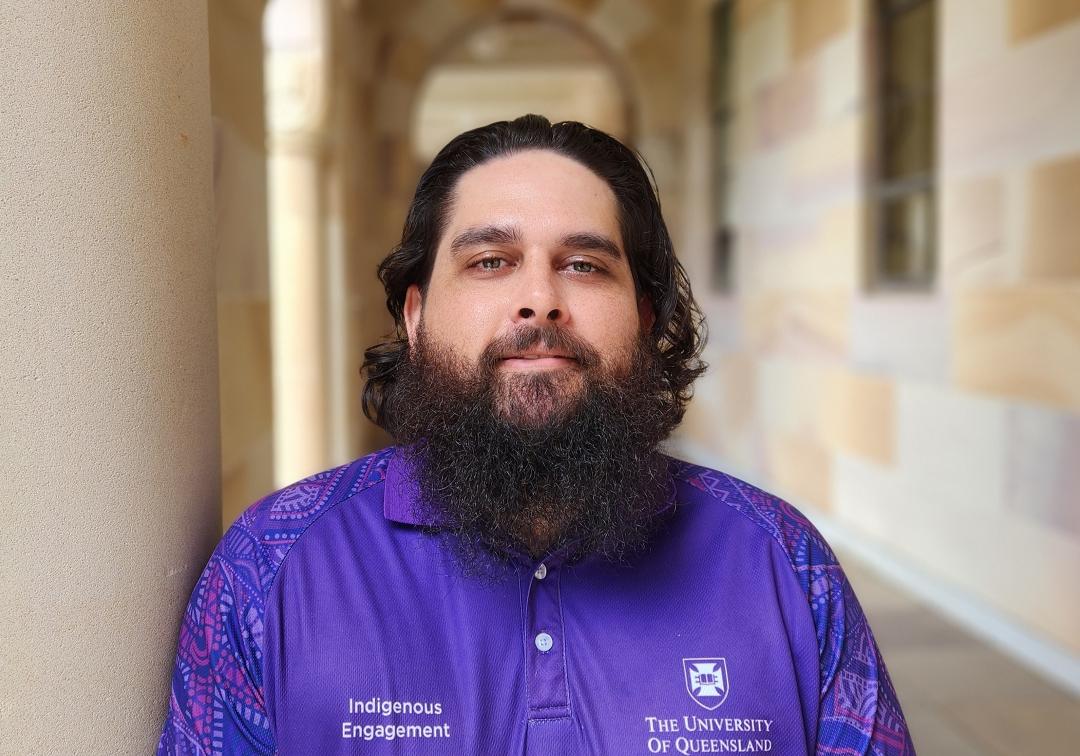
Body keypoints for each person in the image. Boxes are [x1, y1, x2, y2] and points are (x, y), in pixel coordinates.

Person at [158, 115, 914, 755]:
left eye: (584, 265)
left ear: (647, 321)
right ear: (416, 318)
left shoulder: (782, 565)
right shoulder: (270, 570)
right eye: (492, 262)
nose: (539, 300)